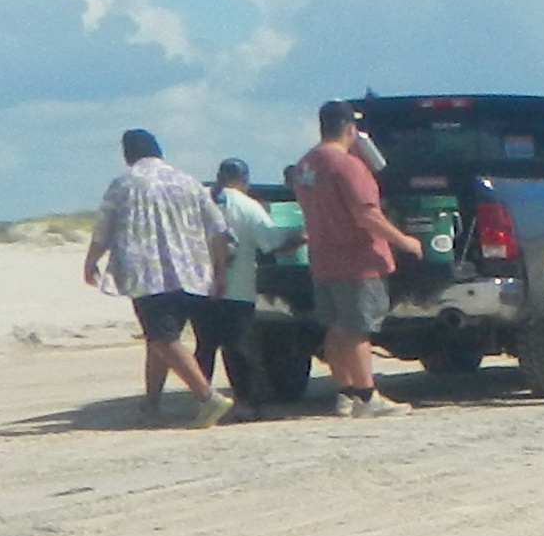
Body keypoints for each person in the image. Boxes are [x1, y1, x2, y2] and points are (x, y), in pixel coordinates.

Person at [82, 127, 232, 425]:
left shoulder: (124, 183)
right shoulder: (188, 181)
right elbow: (218, 229)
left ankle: (207, 397)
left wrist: (91, 261)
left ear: (127, 154)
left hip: (148, 273)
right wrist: (219, 271)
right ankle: (151, 404)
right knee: (161, 337)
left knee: (162, 339)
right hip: (190, 272)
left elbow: (104, 229)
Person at [288, 101, 409, 417]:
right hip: (358, 260)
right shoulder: (348, 165)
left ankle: (345, 394)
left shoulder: (305, 166)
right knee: (357, 330)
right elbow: (366, 215)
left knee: (337, 328)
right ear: (350, 128)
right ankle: (367, 396)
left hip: (323, 259)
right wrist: (404, 241)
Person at [202, 157, 287, 397]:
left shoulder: (201, 200)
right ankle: (245, 399)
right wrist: (299, 237)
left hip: (200, 287)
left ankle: (202, 398)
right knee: (238, 347)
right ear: (245, 180)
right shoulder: (248, 205)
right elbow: (271, 242)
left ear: (219, 176)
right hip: (237, 288)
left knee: (205, 347)